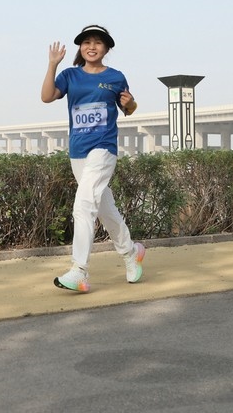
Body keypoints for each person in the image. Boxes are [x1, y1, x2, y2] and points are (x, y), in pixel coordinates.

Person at [41, 24, 145, 293]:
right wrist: (52, 64)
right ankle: (130, 252)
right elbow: (47, 97)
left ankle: (79, 271)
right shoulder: (70, 75)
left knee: (84, 205)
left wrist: (130, 103)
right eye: (87, 42)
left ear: (106, 48)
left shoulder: (115, 77)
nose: (92, 46)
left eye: (98, 42)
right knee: (104, 209)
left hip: (103, 147)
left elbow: (129, 108)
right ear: (81, 47)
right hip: (78, 150)